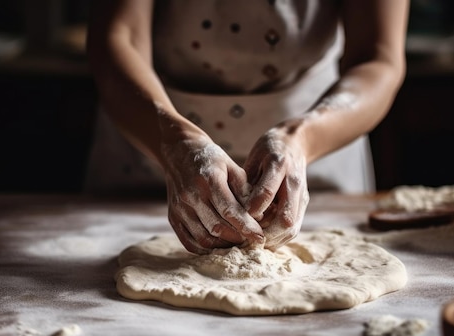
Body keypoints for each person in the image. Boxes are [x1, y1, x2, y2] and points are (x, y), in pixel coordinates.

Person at [85, 0, 409, 254]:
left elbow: (377, 59)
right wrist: (172, 141)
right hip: (147, 141)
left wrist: (301, 139)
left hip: (317, 151)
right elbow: (117, 36)